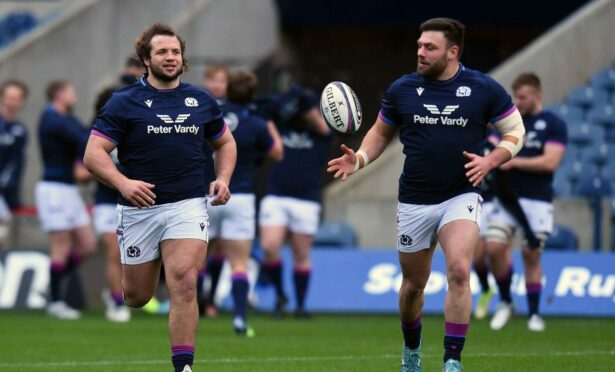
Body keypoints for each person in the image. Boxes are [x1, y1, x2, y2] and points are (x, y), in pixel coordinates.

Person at [327, 18, 526, 372]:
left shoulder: (484, 88)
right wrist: (358, 159)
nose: (420, 52)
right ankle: (412, 350)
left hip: (460, 195)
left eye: (429, 47)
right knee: (413, 287)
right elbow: (379, 133)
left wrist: (491, 160)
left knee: (459, 271)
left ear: (452, 52)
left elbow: (515, 131)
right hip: (415, 200)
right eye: (419, 45)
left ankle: (452, 359)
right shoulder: (402, 88)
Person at [83, 23, 236, 372]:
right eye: (162, 52)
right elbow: (93, 154)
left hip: (188, 203)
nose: (170, 57)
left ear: (183, 59)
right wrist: (123, 183)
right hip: (139, 210)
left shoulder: (202, 100)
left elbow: (225, 142)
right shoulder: (123, 102)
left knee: (183, 280)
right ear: (146, 59)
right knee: (137, 297)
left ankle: (183, 366)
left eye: (175, 52)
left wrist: (223, 178)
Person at [486, 73, 567, 332]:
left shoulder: (553, 123)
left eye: (523, 97)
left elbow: (550, 162)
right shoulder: (510, 123)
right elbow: (492, 148)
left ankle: (534, 314)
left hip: (537, 201)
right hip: (507, 198)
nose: (518, 102)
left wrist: (513, 160)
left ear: (537, 95)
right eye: (516, 97)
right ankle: (506, 301)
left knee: (531, 254)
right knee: (494, 248)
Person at [206, 69, 283, 336]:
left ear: (227, 89)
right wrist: (267, 120)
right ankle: (239, 318)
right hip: (241, 196)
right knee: (238, 262)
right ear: (253, 93)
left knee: (193, 260)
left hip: (209, 193)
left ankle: (196, 308)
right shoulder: (256, 122)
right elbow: (276, 152)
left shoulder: (212, 115)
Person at [256, 83, 331, 319]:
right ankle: (280, 295)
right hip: (277, 194)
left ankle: (300, 305)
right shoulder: (280, 126)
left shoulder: (321, 134)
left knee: (301, 253)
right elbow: (264, 112)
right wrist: (288, 100)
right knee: (270, 247)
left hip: (307, 199)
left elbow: (319, 122)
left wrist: (306, 102)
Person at [36, 80, 96, 319]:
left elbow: (83, 134)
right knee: (60, 246)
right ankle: (56, 301)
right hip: (53, 190)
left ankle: (51, 286)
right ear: (60, 95)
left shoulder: (67, 119)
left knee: (88, 245)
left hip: (70, 190)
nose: (75, 97)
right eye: (72, 92)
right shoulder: (51, 119)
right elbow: (83, 139)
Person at [92, 86, 130, 322]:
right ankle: (116, 302)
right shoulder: (96, 132)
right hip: (106, 203)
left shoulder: (136, 126)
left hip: (132, 203)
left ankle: (122, 295)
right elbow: (85, 167)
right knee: (114, 254)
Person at [197, 63, 230, 318]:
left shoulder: (232, 112)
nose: (216, 85)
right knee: (199, 248)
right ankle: (198, 297)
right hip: (201, 184)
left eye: (221, 81)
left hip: (224, 184)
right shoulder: (197, 106)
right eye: (213, 80)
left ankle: (210, 299)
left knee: (219, 247)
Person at [472, 131, 498, 319]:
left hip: (499, 203)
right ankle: (487, 290)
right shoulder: (467, 135)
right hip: (477, 200)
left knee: (497, 250)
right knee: (478, 259)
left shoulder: (500, 137)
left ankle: (506, 299)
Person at [0, 80, 28, 247]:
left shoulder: (20, 130)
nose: (11, 101)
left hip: (6, 192)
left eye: (15, 98)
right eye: (8, 97)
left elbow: (18, 163)